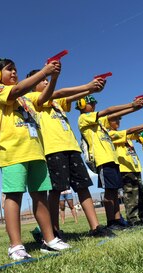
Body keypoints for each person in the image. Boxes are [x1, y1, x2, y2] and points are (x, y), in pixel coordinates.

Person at [0, 57, 70, 260]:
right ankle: (16, 246)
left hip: (35, 152)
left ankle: (49, 240)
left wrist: (54, 77)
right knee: (14, 195)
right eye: (9, 70)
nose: (14, 72)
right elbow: (15, 91)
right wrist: (43, 72)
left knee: (40, 195)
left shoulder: (27, 97)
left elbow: (44, 98)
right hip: (14, 152)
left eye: (15, 69)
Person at [24, 70, 111, 238]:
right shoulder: (32, 99)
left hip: (71, 147)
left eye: (47, 80)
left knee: (83, 186)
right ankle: (54, 230)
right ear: (33, 84)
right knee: (56, 190)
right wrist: (88, 87)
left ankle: (95, 227)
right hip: (52, 149)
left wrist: (91, 90)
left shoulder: (57, 102)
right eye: (42, 80)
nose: (46, 82)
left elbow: (69, 97)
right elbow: (60, 92)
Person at [77, 94, 143, 230]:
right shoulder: (84, 118)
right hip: (103, 159)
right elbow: (110, 111)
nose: (94, 105)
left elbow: (114, 114)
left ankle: (117, 220)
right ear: (82, 104)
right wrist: (131, 105)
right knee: (109, 192)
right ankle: (111, 222)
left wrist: (135, 108)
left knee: (114, 191)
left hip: (112, 159)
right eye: (91, 102)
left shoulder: (99, 124)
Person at [107, 116, 143, 225]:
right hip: (125, 169)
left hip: (135, 167)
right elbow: (131, 130)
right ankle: (133, 219)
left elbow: (136, 132)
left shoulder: (126, 135)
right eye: (115, 120)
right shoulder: (110, 134)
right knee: (131, 195)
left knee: (140, 195)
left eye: (119, 119)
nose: (118, 121)